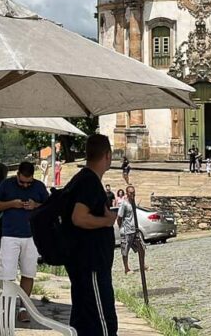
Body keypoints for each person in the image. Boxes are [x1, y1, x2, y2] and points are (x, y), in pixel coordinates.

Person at [63, 134, 118, 336]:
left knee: (83, 320)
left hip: (83, 262)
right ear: (107, 155)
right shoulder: (89, 182)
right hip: (92, 264)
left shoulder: (82, 179)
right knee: (104, 321)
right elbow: (79, 217)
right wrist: (107, 221)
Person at [0, 161, 49, 321]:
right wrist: (12, 203)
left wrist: (36, 205)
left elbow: (50, 207)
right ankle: (6, 309)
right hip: (10, 235)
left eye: (28, 183)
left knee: (28, 273)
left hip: (31, 236)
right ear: (17, 175)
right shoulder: (7, 185)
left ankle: (23, 308)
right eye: (22, 182)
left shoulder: (39, 187)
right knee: (7, 275)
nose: (24, 185)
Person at [117, 185, 147, 275]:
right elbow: (119, 217)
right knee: (125, 250)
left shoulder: (133, 203)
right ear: (127, 193)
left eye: (134, 192)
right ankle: (126, 269)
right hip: (127, 230)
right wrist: (121, 228)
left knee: (142, 248)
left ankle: (142, 265)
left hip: (135, 230)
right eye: (130, 193)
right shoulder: (124, 204)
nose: (133, 194)